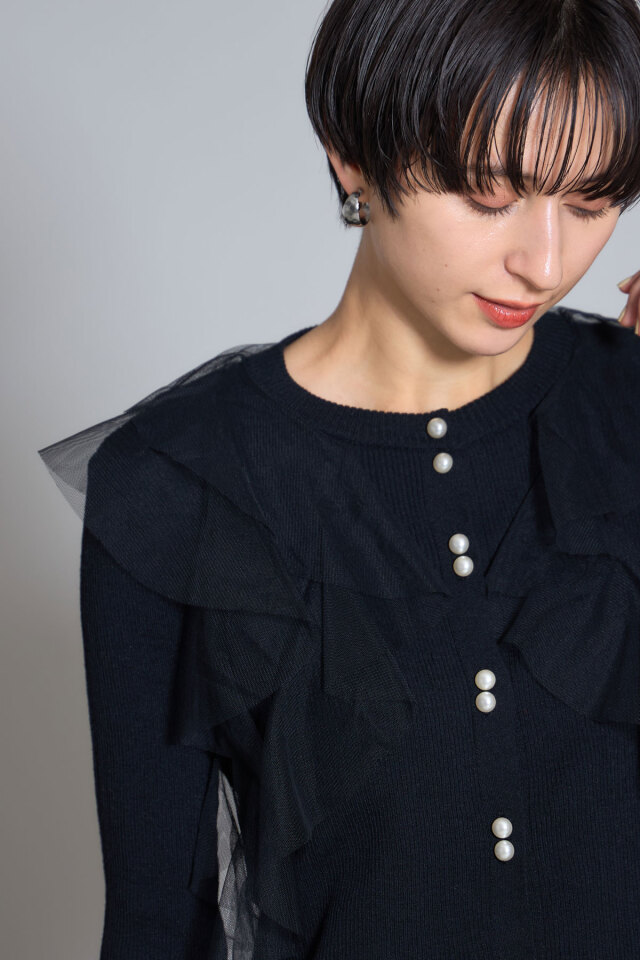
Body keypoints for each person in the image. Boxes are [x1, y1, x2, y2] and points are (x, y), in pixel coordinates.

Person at [38, 0, 640, 958]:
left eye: (592, 202)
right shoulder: (178, 485)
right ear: (353, 152)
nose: (544, 262)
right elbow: (158, 924)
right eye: (489, 194)